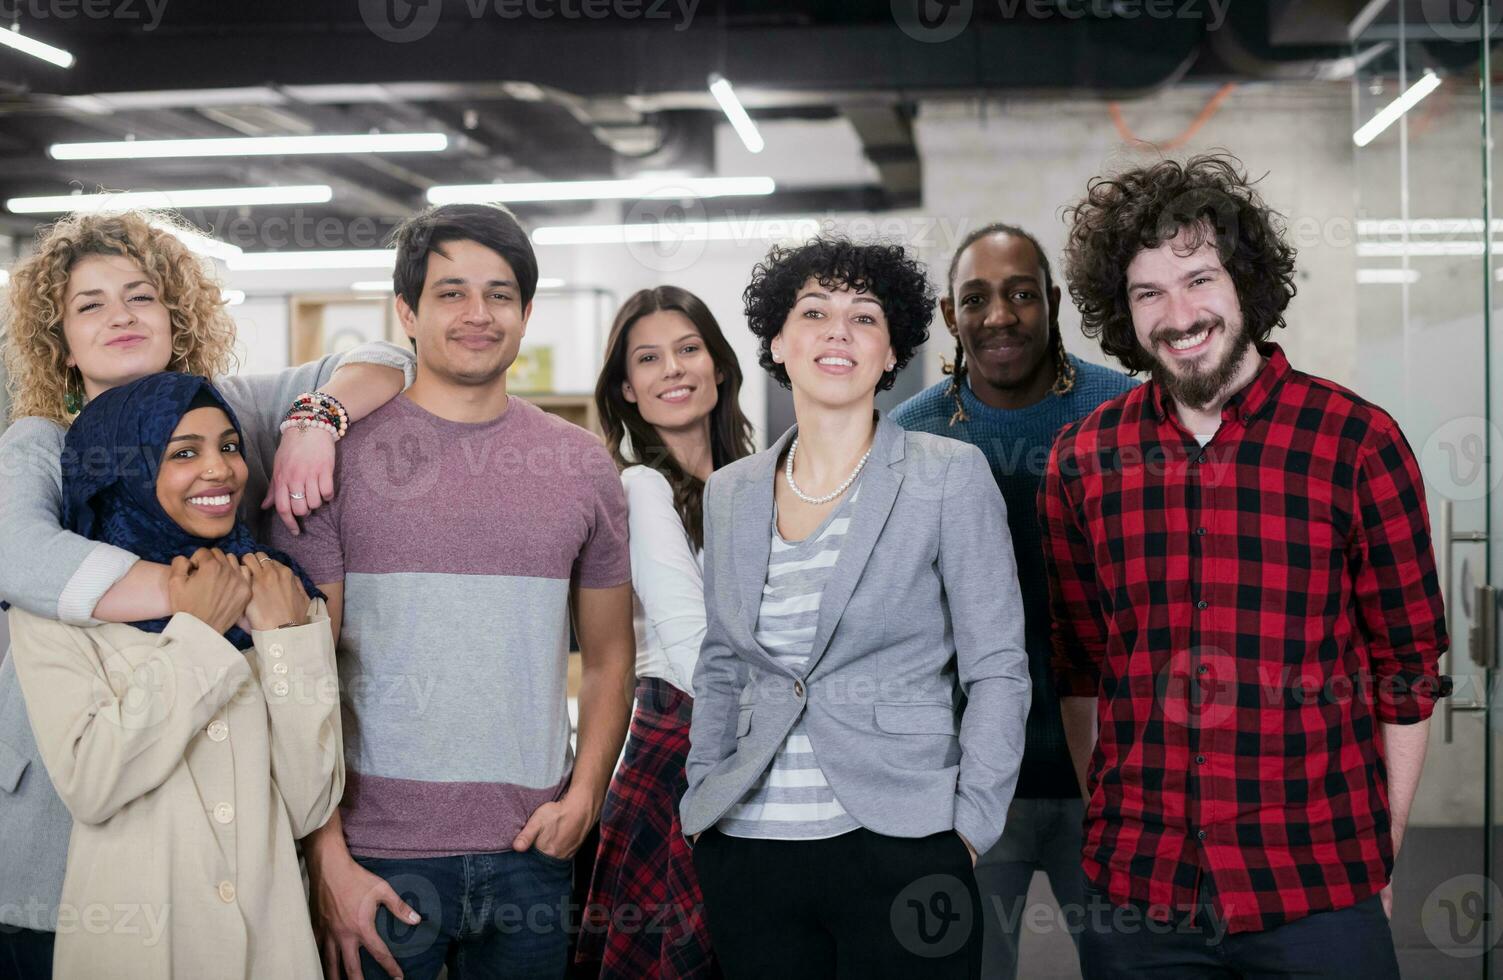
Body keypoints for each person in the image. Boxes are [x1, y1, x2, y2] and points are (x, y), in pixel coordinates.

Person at [1041, 153, 1447, 979]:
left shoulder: (1355, 442)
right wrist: (1111, 822)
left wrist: (1382, 853)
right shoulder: (1081, 459)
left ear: (1245, 285)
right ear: (1122, 313)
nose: (1177, 313)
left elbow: (1406, 670)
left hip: (1317, 890)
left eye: (1198, 279)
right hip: (1138, 898)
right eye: (1146, 292)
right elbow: (1080, 670)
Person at [0, 209, 413, 979]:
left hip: (218, 820)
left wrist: (316, 422)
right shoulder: (39, 445)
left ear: (177, 313)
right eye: (90, 304)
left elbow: (388, 357)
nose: (120, 315)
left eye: (141, 295)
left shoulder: (232, 411)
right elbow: (15, 554)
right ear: (58, 340)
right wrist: (198, 594)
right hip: (63, 802)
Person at [272, 202, 636, 980]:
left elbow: (609, 656)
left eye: (500, 295)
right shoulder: (329, 463)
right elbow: (299, 680)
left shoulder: (579, 464)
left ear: (527, 313)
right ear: (405, 311)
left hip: (532, 850)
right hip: (376, 860)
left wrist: (585, 797)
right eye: (450, 293)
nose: (478, 315)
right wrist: (326, 857)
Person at [680, 236, 1032, 980]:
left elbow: (998, 668)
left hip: (904, 843)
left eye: (864, 317)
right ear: (778, 340)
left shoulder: (949, 476)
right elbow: (719, 664)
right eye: (813, 311)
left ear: (890, 350)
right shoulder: (731, 491)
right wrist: (702, 791)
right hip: (747, 850)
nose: (838, 331)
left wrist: (967, 827)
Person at [8, 372, 343, 978]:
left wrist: (286, 641)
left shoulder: (282, 593)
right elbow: (92, 783)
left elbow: (307, 803)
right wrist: (198, 634)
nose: (219, 469)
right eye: (183, 452)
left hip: (270, 950)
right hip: (135, 949)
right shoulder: (56, 616)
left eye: (230, 446)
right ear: (123, 472)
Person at [891, 222, 1135, 980]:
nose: (999, 315)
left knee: (1133, 966)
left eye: (1021, 294)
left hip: (1110, 779)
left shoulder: (1121, 413)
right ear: (947, 315)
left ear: (1053, 303)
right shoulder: (909, 435)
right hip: (967, 785)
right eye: (977, 298)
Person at [579, 285, 755, 979]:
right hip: (683, 743)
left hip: (747, 741)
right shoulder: (641, 488)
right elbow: (691, 648)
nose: (673, 370)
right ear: (626, 388)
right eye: (648, 359)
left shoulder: (758, 476)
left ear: (717, 364)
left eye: (687, 349)